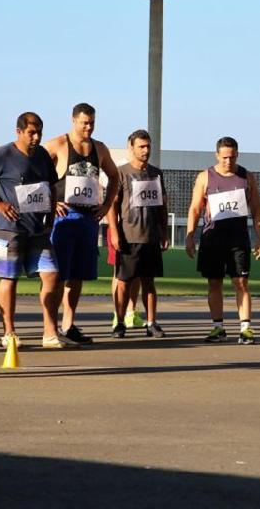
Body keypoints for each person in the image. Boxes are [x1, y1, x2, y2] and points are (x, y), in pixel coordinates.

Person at [0, 112, 75, 349]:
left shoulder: (44, 156)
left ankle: (49, 332)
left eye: (39, 132)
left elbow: (51, 185)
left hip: (37, 230)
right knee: (10, 279)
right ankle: (9, 332)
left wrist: (50, 216)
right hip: (9, 229)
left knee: (52, 276)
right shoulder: (2, 154)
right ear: (19, 131)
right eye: (31, 133)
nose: (36, 137)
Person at [44, 103, 119, 344]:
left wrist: (107, 206)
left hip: (88, 219)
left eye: (92, 123)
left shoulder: (99, 148)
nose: (88, 127)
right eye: (84, 123)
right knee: (57, 276)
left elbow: (115, 176)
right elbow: (35, 173)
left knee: (77, 276)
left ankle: (68, 324)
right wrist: (50, 202)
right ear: (73, 120)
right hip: (64, 218)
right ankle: (51, 327)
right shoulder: (58, 144)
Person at [185, 137, 260, 344]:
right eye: (224, 157)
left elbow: (256, 209)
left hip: (238, 239)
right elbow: (195, 208)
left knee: (241, 283)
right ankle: (217, 327)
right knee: (214, 283)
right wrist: (190, 236)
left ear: (237, 155)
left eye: (232, 157)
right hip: (212, 240)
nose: (228, 161)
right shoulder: (205, 177)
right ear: (217, 155)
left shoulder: (247, 177)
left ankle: (246, 328)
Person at [107, 130, 169, 338]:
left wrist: (164, 230)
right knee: (123, 282)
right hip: (128, 236)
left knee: (149, 282)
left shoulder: (156, 174)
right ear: (131, 147)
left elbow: (162, 205)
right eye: (141, 146)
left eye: (148, 146)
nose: (145, 150)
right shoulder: (121, 173)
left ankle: (152, 322)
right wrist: (114, 233)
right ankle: (120, 322)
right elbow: (112, 206)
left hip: (151, 236)